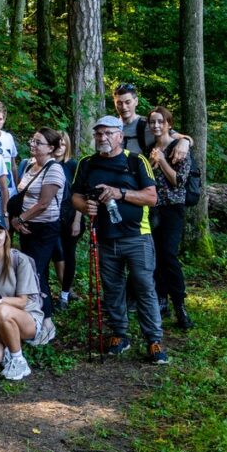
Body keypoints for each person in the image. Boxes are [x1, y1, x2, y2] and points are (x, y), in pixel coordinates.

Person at [71, 115, 168, 364]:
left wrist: (121, 193)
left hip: (137, 235)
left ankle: (154, 340)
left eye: (108, 133)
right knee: (112, 288)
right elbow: (75, 196)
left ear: (120, 136)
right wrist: (85, 207)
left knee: (144, 287)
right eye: (99, 134)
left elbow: (151, 197)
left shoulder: (136, 161)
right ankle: (119, 334)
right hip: (104, 237)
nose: (102, 138)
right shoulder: (87, 163)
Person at [0, 215, 48, 380]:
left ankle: (18, 360)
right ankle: (9, 347)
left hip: (27, 319)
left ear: (6, 235)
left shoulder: (18, 259)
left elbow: (23, 301)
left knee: (1, 309)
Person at [10, 127, 65, 338]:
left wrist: (20, 219)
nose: (32, 145)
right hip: (26, 227)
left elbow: (43, 203)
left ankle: (47, 320)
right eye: (32, 141)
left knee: (35, 272)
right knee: (30, 271)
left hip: (44, 229)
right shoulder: (30, 165)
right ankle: (36, 315)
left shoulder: (54, 169)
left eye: (38, 142)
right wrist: (17, 222)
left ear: (50, 148)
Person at [148, 107, 194, 329]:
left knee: (169, 255)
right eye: (152, 122)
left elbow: (179, 181)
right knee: (155, 256)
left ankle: (180, 304)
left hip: (173, 209)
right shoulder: (150, 148)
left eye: (160, 122)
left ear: (168, 124)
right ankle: (161, 301)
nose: (156, 126)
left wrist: (162, 159)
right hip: (152, 210)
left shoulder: (179, 148)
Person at [112, 83, 191, 162]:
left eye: (128, 102)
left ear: (136, 101)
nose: (124, 107)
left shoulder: (149, 124)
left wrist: (185, 142)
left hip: (140, 172)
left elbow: (181, 137)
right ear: (115, 104)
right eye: (119, 103)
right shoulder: (110, 127)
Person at [54, 131, 84, 310]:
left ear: (67, 146)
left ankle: (65, 294)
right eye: (56, 144)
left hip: (71, 217)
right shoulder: (45, 165)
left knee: (68, 254)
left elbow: (80, 194)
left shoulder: (73, 166)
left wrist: (77, 220)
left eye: (62, 144)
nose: (59, 148)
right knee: (56, 253)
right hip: (50, 219)